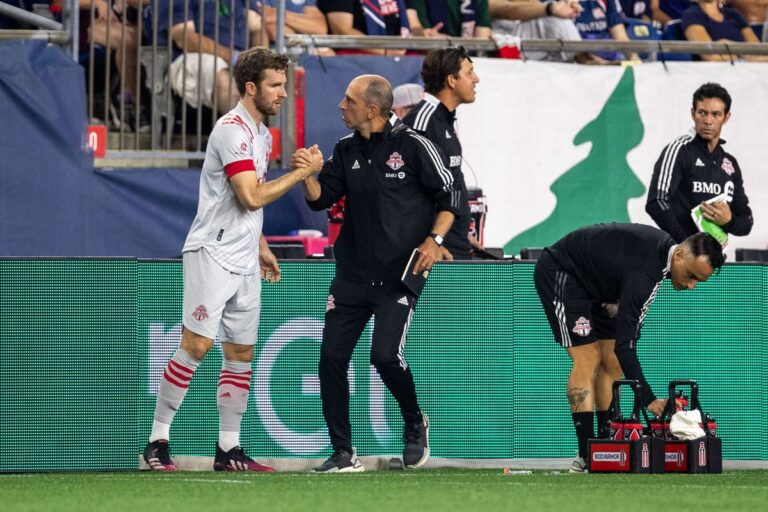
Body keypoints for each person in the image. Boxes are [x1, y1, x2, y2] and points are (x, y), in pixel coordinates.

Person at [142, 47, 324, 472]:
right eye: (275, 85)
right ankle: (156, 442)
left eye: (284, 85)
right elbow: (250, 195)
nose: (282, 93)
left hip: (243, 256)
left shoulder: (259, 134)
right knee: (198, 345)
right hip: (213, 252)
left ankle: (228, 449)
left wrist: (261, 247)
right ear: (250, 87)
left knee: (241, 353)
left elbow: (248, 208)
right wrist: (301, 173)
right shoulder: (232, 131)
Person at [296, 74, 459, 472]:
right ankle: (342, 453)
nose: (341, 106)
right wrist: (307, 175)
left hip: (399, 275)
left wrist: (435, 239)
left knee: (385, 357)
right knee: (331, 359)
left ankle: (414, 421)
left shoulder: (415, 146)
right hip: (351, 274)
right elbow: (322, 200)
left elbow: (450, 195)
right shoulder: (346, 148)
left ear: (372, 109)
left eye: (348, 101)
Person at [534, 223, 725, 473]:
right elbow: (627, 346)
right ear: (679, 254)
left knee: (612, 362)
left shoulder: (658, 263)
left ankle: (603, 444)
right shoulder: (647, 273)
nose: (692, 286)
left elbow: (622, 348)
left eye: (699, 281)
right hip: (563, 271)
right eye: (691, 275)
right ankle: (585, 456)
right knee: (588, 357)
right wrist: (649, 399)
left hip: (600, 287)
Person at [646, 83, 753, 244]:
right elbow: (656, 202)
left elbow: (746, 223)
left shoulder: (730, 164)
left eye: (716, 114)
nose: (708, 121)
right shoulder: (679, 150)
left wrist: (729, 221)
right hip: (680, 257)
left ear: (726, 117)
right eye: (702, 113)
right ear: (693, 113)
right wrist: (687, 245)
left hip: (714, 260)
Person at [402, 47, 478, 260]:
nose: (476, 79)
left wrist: (463, 232)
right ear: (451, 80)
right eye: (469, 72)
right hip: (433, 253)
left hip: (453, 244)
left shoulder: (444, 118)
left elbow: (449, 181)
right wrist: (432, 241)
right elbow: (406, 192)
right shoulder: (422, 122)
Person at [681, 0, 768, 61]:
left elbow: (757, 50)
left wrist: (728, 45)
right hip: (712, 74)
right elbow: (710, 56)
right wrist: (744, 56)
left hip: (745, 71)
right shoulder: (691, 15)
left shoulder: (734, 14)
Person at [407, 0, 492, 38]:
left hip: (469, 57)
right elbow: (418, 29)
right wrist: (425, 34)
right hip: (436, 58)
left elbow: (483, 32)